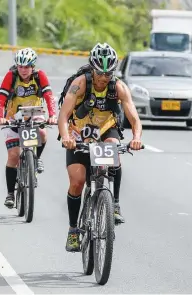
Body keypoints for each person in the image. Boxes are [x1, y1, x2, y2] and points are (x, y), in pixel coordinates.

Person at [58, 43, 143, 252]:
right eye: (100, 73)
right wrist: (67, 136)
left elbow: (134, 117)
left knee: (114, 151)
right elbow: (63, 114)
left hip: (106, 129)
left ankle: (113, 203)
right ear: (92, 69)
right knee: (77, 182)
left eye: (108, 73)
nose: (104, 77)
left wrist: (136, 137)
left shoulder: (118, 87)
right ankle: (73, 231)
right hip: (79, 132)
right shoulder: (80, 84)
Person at [0, 47, 57, 208]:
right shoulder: (11, 76)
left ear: (33, 66)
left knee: (42, 133)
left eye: (27, 66)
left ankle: (36, 159)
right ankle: (10, 193)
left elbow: (49, 96)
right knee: (14, 155)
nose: (23, 70)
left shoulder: (39, 76)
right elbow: (0, 98)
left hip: (34, 114)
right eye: (20, 66)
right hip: (13, 117)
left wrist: (52, 115)